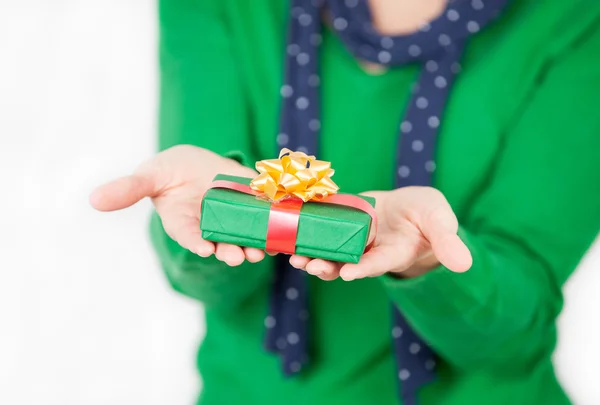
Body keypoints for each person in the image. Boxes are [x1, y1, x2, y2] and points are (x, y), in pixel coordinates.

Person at [90, 0, 600, 404]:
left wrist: (427, 261)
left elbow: (514, 325)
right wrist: (219, 218)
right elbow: (197, 275)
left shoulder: (579, 20)